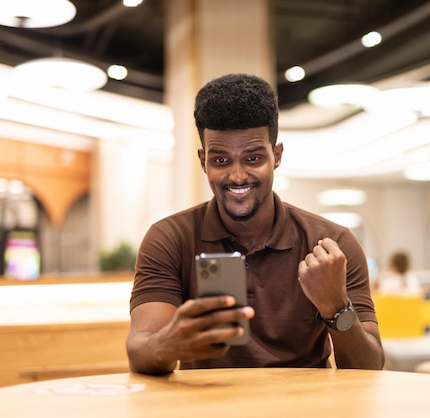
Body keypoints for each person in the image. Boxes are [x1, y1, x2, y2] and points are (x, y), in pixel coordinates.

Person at [126, 73, 384, 374]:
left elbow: (369, 368)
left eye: (252, 158)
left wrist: (336, 307)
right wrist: (167, 343)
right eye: (221, 160)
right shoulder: (170, 239)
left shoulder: (332, 243)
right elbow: (139, 351)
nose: (237, 176)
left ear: (276, 155)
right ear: (203, 160)